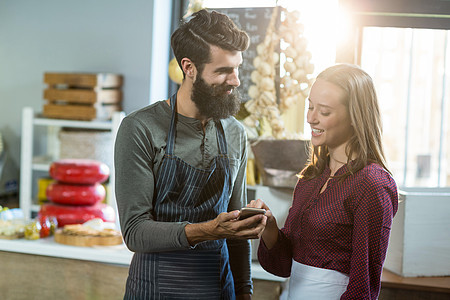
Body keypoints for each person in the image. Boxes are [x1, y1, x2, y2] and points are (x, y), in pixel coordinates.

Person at [114, 9, 266, 300]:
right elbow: (135, 232)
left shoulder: (235, 133)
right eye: (222, 71)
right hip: (155, 288)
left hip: (220, 289)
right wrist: (208, 230)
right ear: (189, 67)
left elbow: (235, 234)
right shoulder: (141, 128)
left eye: (237, 68)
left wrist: (245, 292)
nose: (235, 80)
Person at [248, 64, 398, 299]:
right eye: (310, 107)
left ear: (354, 117)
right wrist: (269, 227)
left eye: (324, 112)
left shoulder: (372, 184)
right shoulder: (311, 177)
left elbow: (363, 287)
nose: (310, 118)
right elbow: (283, 265)